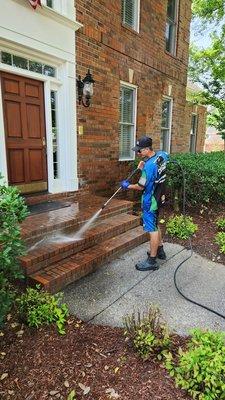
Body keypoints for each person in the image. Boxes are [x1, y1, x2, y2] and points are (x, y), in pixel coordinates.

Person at [121, 136, 169, 271]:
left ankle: (152, 261)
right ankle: (160, 250)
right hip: (160, 197)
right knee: (155, 223)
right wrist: (144, 165)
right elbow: (156, 172)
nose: (137, 153)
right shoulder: (162, 155)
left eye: (139, 151)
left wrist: (127, 185)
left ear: (147, 149)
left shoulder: (149, 166)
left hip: (151, 200)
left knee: (151, 229)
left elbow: (141, 186)